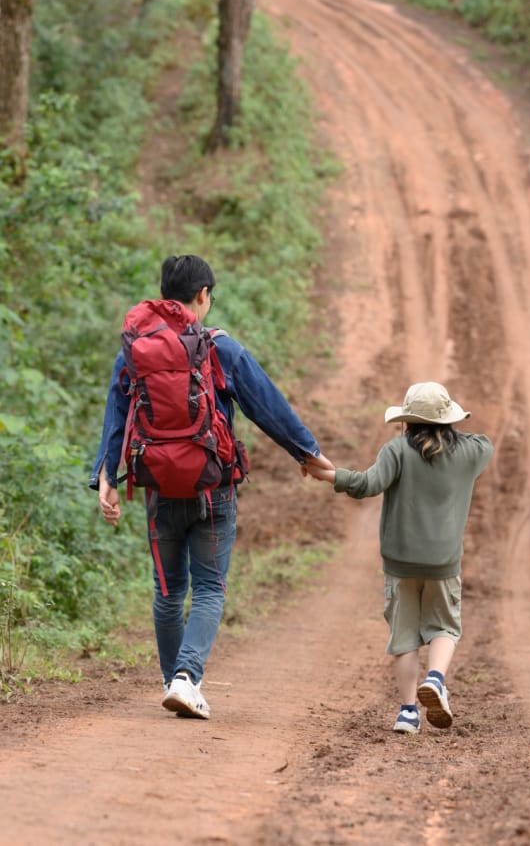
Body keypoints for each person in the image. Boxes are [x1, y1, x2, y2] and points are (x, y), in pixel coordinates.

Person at [91, 254, 333, 720]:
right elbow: (266, 405)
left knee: (168, 591)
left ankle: (173, 681)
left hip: (158, 487)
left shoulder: (136, 351)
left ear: (164, 296)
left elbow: (117, 413)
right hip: (213, 487)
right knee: (208, 587)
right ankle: (186, 678)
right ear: (203, 295)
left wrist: (106, 477)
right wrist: (308, 452)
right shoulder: (218, 347)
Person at [304, 381, 492, 734]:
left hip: (400, 564)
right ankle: (435, 679)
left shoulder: (396, 450)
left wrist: (327, 474)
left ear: (406, 419)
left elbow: (367, 485)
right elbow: (482, 441)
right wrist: (449, 432)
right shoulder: (471, 452)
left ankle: (407, 713)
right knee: (445, 627)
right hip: (443, 563)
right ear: (448, 418)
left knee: (404, 638)